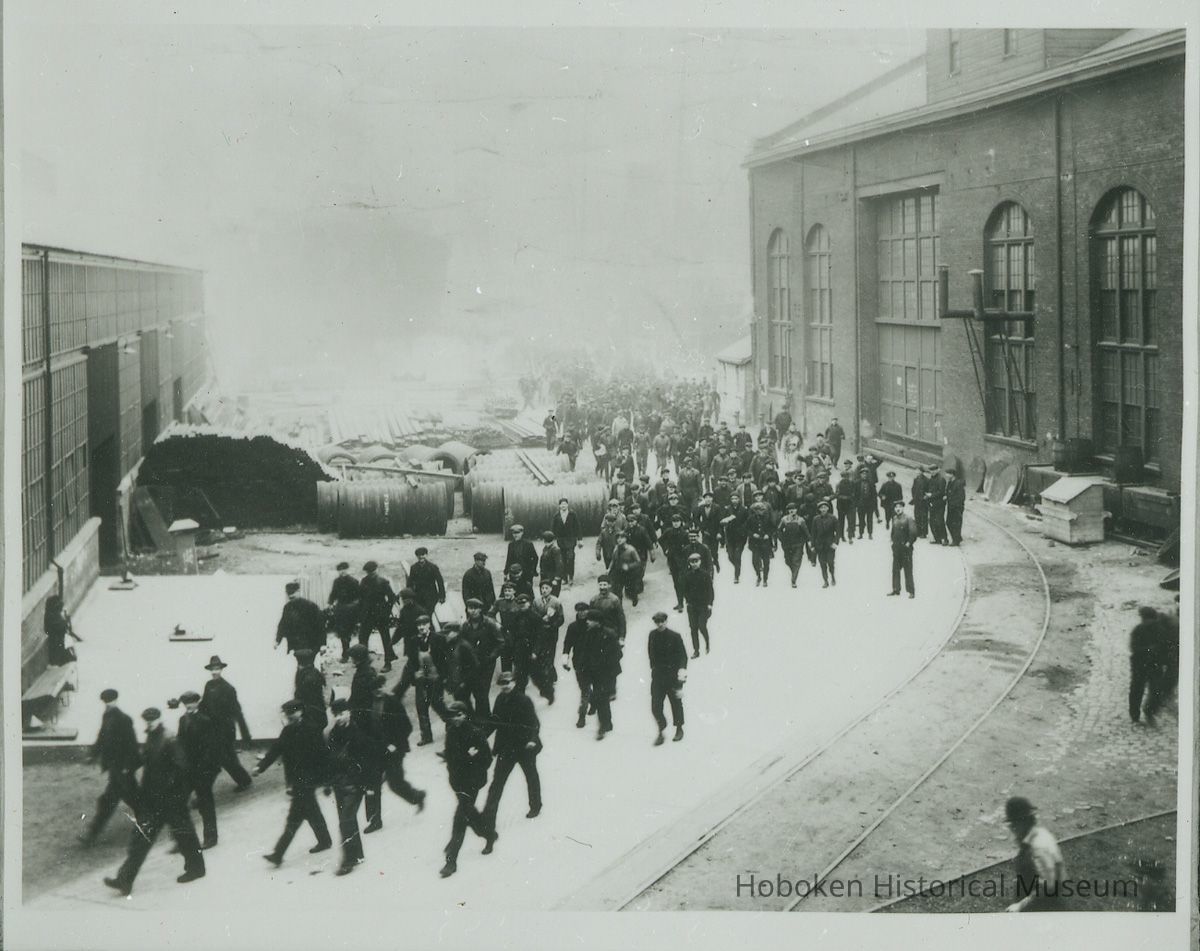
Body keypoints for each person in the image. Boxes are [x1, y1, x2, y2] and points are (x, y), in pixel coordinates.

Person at [103, 708, 205, 896]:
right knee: (141, 839)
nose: (149, 723)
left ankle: (196, 869)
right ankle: (125, 880)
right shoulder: (152, 738)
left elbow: (182, 768)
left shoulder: (170, 739)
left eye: (153, 720)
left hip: (172, 800)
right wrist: (129, 767)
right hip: (153, 800)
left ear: (159, 719)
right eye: (147, 720)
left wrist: (177, 793)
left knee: (185, 836)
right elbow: (148, 761)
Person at [257, 699, 334, 867]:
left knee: (295, 816)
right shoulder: (288, 730)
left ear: (300, 712)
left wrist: (328, 781)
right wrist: (261, 767)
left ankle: (278, 853)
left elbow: (323, 756)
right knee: (310, 812)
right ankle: (324, 840)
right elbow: (276, 749)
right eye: (287, 713)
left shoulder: (312, 729)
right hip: (296, 779)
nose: (289, 716)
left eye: (291, 713)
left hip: (308, 780)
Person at [438, 701, 496, 878]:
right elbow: (450, 755)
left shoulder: (476, 733)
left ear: (464, 715)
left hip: (472, 782)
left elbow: (487, 759)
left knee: (460, 818)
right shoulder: (451, 733)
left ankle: (451, 860)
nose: (454, 719)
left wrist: (473, 759)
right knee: (468, 814)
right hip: (457, 782)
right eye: (451, 716)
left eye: (457, 715)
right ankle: (489, 834)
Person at [482, 671, 543, 828]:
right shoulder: (500, 699)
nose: (505, 686)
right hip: (506, 749)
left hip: (524, 747)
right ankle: (488, 816)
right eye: (502, 683)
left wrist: (532, 740)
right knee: (497, 783)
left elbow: (534, 724)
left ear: (514, 683)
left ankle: (535, 806)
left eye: (508, 682)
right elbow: (494, 721)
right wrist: (480, 736)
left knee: (531, 777)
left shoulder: (524, 700)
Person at [80, 689, 140, 846]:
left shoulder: (124, 719)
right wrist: (93, 754)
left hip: (123, 769)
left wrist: (128, 767)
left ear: (116, 700)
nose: (108, 704)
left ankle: (92, 834)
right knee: (133, 798)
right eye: (106, 702)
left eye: (110, 701)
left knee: (109, 800)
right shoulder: (106, 716)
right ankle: (150, 819)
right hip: (115, 768)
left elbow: (132, 745)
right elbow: (101, 738)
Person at [326, 698, 373, 875]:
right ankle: (358, 854)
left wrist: (369, 786)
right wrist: (329, 782)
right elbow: (329, 760)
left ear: (349, 712)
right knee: (347, 820)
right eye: (336, 715)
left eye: (342, 713)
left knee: (346, 820)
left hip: (356, 783)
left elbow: (369, 761)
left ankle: (348, 860)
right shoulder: (332, 734)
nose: (339, 718)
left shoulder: (358, 733)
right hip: (339, 783)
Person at [198, 655, 253, 790]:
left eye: (217, 669)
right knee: (226, 759)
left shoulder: (228, 689)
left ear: (221, 670)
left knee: (222, 759)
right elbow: (203, 705)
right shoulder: (208, 685)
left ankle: (203, 793)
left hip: (225, 731)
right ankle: (244, 780)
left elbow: (237, 712)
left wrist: (246, 736)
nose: (214, 672)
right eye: (212, 669)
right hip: (212, 729)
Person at [176, 690, 221, 850]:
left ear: (197, 702)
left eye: (192, 702)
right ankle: (182, 840)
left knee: (205, 804)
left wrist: (204, 770)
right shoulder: (182, 720)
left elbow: (210, 748)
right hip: (187, 770)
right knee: (178, 802)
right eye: (186, 703)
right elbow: (180, 742)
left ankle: (210, 837)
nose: (188, 705)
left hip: (203, 769)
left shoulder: (205, 720)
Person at [1003, 797, 1065, 912]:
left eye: (1014, 825)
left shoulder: (1037, 847)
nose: (1012, 829)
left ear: (1022, 822)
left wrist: (1021, 906)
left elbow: (1048, 887)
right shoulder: (1038, 833)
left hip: (1047, 904)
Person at [375, 677, 426, 812]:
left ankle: (417, 796)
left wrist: (395, 745)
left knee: (395, 783)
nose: (378, 691)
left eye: (380, 686)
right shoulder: (372, 703)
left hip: (395, 750)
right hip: (381, 748)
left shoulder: (393, 702)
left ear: (384, 685)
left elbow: (407, 726)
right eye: (375, 688)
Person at [647, 612, 688, 745]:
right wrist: (653, 668)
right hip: (658, 676)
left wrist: (681, 672)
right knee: (655, 706)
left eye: (662, 621)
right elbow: (650, 653)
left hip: (672, 676)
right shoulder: (652, 635)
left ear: (666, 621)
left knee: (676, 703)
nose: (659, 624)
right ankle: (661, 728)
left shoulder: (675, 636)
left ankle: (679, 728)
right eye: (657, 622)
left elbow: (683, 656)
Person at [462, 599, 504, 717]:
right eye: (470, 608)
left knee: (482, 691)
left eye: (475, 608)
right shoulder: (465, 626)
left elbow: (501, 642)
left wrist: (491, 656)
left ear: (480, 609)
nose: (473, 611)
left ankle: (484, 719)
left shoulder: (489, 624)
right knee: (476, 691)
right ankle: (483, 716)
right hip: (472, 664)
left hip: (487, 663)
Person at [1129, 606, 1167, 726]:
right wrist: (1150, 650)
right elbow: (1134, 648)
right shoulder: (1140, 629)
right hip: (1143, 664)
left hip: (1149, 664)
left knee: (1142, 690)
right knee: (1143, 689)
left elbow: (1165, 647)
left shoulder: (1153, 629)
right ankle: (1137, 715)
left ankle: (1141, 714)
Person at [359, 561, 399, 672]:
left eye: (373, 571)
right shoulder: (364, 582)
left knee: (385, 638)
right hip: (367, 615)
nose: (371, 573)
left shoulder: (383, 582)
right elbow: (360, 599)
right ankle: (364, 663)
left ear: (376, 570)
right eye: (369, 572)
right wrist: (361, 614)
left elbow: (391, 598)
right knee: (363, 638)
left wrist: (386, 611)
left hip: (381, 615)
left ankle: (388, 662)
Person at [562, 602, 596, 730]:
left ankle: (583, 714)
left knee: (586, 690)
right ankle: (589, 708)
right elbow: (567, 644)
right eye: (579, 611)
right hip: (579, 663)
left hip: (594, 662)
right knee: (584, 689)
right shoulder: (573, 627)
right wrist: (565, 659)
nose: (582, 613)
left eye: (584, 610)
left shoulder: (593, 626)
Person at [276, 580, 325, 656]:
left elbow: (320, 625)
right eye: (289, 594)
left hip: (311, 643)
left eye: (293, 593)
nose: (290, 596)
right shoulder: (287, 607)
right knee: (299, 665)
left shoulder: (311, 606)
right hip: (295, 644)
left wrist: (323, 644)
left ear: (298, 592)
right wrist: (277, 640)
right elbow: (283, 624)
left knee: (308, 665)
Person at [681, 552, 714, 658]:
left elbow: (710, 591)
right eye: (692, 562)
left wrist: (709, 604)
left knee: (701, 625)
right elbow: (684, 590)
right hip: (692, 606)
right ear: (689, 563)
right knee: (693, 628)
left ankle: (707, 643)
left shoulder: (705, 575)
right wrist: (687, 601)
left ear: (700, 562)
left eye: (696, 561)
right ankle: (696, 650)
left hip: (703, 606)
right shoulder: (687, 576)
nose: (694, 564)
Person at [327, 562, 361, 661]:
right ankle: (345, 654)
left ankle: (357, 654)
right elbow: (333, 594)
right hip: (341, 609)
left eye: (344, 569)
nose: (342, 572)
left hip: (352, 609)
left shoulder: (353, 581)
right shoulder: (336, 582)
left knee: (352, 631)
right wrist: (330, 603)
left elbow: (358, 596)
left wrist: (355, 606)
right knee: (343, 632)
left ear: (347, 570)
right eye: (340, 570)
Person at [888, 502, 918, 598]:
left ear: (903, 508)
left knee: (908, 570)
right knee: (895, 569)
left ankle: (911, 591)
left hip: (906, 549)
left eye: (899, 507)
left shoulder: (908, 519)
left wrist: (909, 543)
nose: (897, 509)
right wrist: (892, 543)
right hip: (896, 549)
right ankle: (896, 589)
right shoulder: (894, 518)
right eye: (896, 507)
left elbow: (913, 532)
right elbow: (893, 532)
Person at [778, 502, 812, 588]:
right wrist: (782, 539)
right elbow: (779, 530)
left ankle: (793, 580)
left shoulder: (801, 520)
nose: (792, 511)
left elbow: (806, 532)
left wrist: (809, 541)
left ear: (796, 510)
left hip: (798, 544)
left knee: (796, 561)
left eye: (793, 509)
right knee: (788, 560)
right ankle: (794, 571)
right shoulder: (784, 519)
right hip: (787, 544)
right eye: (790, 509)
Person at [293, 648, 328, 730]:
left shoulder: (308, 678)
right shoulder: (313, 671)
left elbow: (304, 698)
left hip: (312, 717)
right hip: (316, 714)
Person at [44, 594, 83, 667]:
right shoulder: (54, 617)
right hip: (58, 644)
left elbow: (67, 629)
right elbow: (66, 628)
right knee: (68, 660)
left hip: (59, 643)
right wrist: (67, 620)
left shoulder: (51, 615)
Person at [551, 498, 583, 585]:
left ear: (567, 505)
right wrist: (552, 540)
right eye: (561, 504)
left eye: (565, 504)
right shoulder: (556, 516)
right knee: (562, 560)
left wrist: (580, 539)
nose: (563, 505)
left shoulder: (573, 514)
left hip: (571, 540)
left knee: (571, 558)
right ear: (559, 506)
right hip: (561, 541)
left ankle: (571, 577)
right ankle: (564, 578)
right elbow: (553, 529)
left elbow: (578, 527)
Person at [408, 547, 447, 616]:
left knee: (430, 614)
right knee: (420, 614)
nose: (421, 557)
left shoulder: (433, 567)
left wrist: (442, 596)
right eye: (419, 555)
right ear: (416, 556)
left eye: (423, 554)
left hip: (431, 596)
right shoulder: (413, 568)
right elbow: (410, 583)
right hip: (418, 596)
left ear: (426, 555)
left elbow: (440, 582)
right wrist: (409, 596)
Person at [747, 497, 776, 587]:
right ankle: (758, 576)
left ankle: (765, 579)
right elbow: (746, 529)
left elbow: (773, 528)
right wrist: (752, 534)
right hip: (755, 543)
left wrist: (768, 534)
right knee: (755, 561)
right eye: (758, 510)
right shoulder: (751, 519)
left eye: (762, 509)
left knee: (766, 562)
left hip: (765, 543)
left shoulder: (767, 518)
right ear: (755, 510)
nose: (760, 511)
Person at [811, 500, 839, 588]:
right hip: (820, 545)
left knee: (830, 562)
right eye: (821, 508)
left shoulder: (833, 518)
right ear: (819, 509)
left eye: (825, 507)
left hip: (830, 545)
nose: (823, 509)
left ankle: (833, 576)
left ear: (828, 508)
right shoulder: (816, 519)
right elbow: (813, 533)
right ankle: (825, 581)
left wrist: (835, 543)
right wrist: (812, 545)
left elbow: (838, 532)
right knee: (822, 564)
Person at [539, 531, 566, 596]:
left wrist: (556, 578)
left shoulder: (555, 549)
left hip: (552, 576)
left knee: (553, 595)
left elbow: (559, 565)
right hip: (545, 575)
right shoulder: (546, 548)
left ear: (545, 540)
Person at [926, 466, 948, 545]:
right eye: (931, 470)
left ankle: (944, 539)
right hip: (931, 503)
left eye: (934, 470)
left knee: (940, 521)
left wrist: (931, 495)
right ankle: (937, 538)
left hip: (939, 504)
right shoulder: (931, 479)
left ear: (938, 470)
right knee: (932, 522)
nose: (932, 472)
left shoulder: (941, 479)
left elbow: (941, 492)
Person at [945, 468, 966, 546]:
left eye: (948, 474)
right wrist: (946, 496)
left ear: (952, 475)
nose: (946, 475)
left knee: (956, 523)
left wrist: (954, 504)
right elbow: (949, 492)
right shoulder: (950, 482)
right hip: (951, 506)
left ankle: (956, 541)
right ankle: (957, 538)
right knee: (949, 522)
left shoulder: (958, 484)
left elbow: (961, 497)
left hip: (957, 507)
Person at [911, 466, 930, 539]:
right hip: (917, 501)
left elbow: (928, 489)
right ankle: (918, 531)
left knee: (923, 517)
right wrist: (914, 497)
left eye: (918, 470)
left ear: (922, 471)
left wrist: (926, 497)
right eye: (916, 470)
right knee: (917, 516)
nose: (917, 471)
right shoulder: (916, 479)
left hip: (923, 501)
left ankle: (924, 533)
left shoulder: (926, 480)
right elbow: (913, 489)